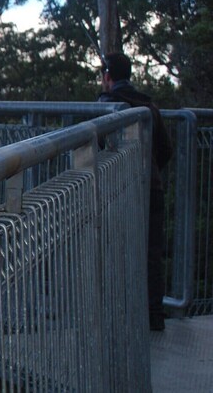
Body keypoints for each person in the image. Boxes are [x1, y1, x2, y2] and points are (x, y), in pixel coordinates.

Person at [98, 52, 174, 331]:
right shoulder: (148, 105)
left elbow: (95, 144)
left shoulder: (108, 105)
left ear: (108, 77)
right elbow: (166, 148)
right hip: (151, 188)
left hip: (118, 192)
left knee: (116, 251)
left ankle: (119, 318)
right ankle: (154, 315)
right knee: (152, 252)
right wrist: (148, 173)